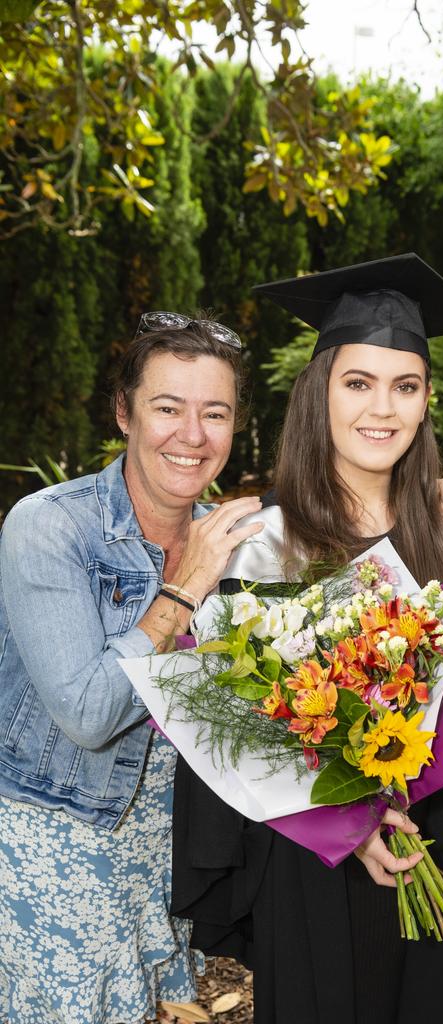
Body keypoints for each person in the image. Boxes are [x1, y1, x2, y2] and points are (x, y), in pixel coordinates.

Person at [170, 254, 443, 1024]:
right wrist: (349, 823)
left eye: (405, 387)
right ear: (319, 393)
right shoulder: (257, 541)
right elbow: (227, 726)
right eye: (358, 383)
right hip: (310, 866)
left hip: (426, 844)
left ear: (427, 400)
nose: (383, 409)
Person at [0, 313, 266, 1024]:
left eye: (215, 413)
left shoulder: (229, 542)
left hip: (167, 850)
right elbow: (86, 715)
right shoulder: (50, 526)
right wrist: (182, 592)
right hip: (57, 842)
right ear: (124, 412)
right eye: (167, 408)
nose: (192, 435)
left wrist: (438, 497)